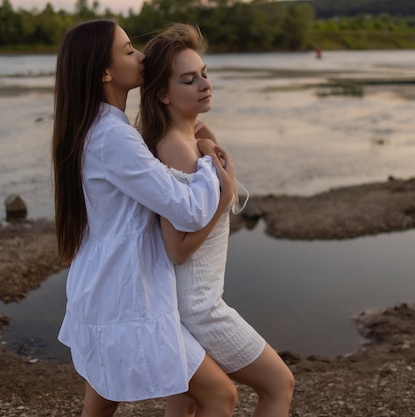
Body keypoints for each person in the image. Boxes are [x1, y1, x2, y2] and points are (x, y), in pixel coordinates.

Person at [52, 19, 239, 417]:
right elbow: (187, 209)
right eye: (128, 51)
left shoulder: (99, 129)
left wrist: (192, 140)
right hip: (126, 298)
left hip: (104, 291)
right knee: (220, 396)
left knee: (100, 406)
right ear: (105, 72)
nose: (140, 57)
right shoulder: (113, 137)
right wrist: (212, 167)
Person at [138, 23, 295, 417]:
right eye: (188, 80)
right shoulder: (177, 149)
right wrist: (224, 197)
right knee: (279, 385)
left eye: (204, 73)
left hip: (183, 304)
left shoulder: (184, 141)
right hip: (199, 307)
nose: (204, 84)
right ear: (162, 93)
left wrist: (204, 136)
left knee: (187, 405)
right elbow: (176, 249)